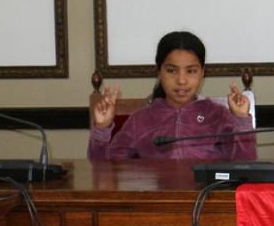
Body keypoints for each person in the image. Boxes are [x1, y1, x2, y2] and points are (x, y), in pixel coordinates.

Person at [88, 31, 254, 159]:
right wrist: (101, 129)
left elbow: (244, 167)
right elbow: (104, 172)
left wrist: (240, 120)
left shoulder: (217, 115)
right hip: (156, 201)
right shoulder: (141, 120)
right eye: (171, 70)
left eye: (191, 71)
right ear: (159, 72)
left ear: (202, 73)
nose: (181, 80)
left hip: (206, 199)